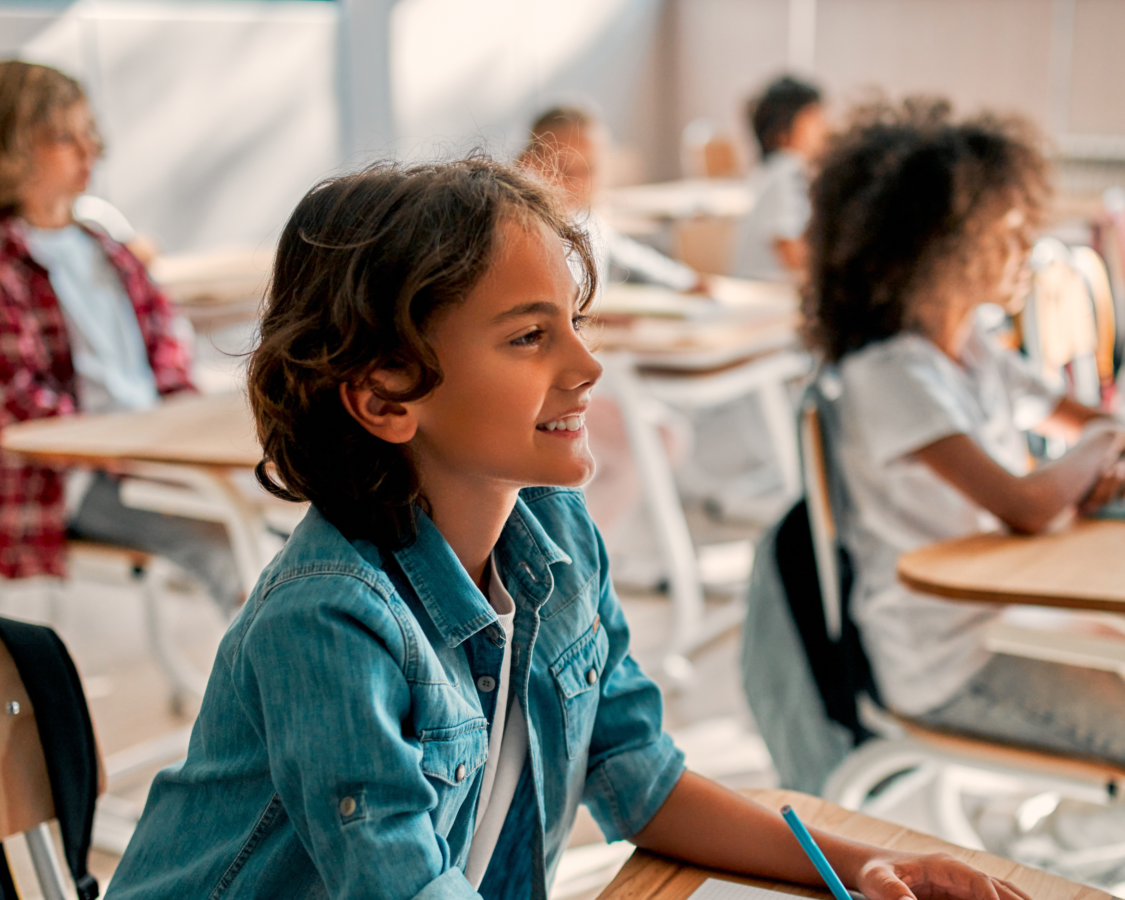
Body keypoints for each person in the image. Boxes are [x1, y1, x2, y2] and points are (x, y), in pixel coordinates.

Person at [107, 156, 1029, 900]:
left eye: (576, 323)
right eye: (528, 336)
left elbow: (639, 777)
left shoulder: (556, 534)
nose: (588, 365)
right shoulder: (328, 620)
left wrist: (864, 867)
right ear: (385, 396)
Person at [806, 98, 1125, 758]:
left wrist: (1101, 451)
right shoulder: (888, 377)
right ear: (935, 250)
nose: (1025, 251)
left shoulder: (975, 349)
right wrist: (1097, 450)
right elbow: (1027, 504)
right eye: (1005, 233)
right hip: (948, 665)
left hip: (1011, 617)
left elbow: (1093, 423)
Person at [0, 59, 240, 609]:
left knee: (287, 516)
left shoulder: (106, 249)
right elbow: (15, 408)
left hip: (152, 452)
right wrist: (123, 448)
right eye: (63, 137)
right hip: (72, 481)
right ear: (7, 151)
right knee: (228, 548)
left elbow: (166, 350)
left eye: (88, 133)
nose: (90, 150)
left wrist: (182, 433)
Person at [519, 105, 702, 292]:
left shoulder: (586, 222)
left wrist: (687, 281)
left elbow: (632, 257)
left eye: (589, 169)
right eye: (562, 168)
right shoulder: (521, 232)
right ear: (528, 163)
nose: (578, 183)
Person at [732, 75, 829, 282]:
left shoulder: (772, 169)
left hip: (760, 286)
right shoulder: (787, 170)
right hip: (767, 288)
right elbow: (791, 253)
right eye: (813, 117)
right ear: (782, 130)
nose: (825, 127)